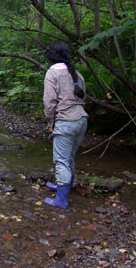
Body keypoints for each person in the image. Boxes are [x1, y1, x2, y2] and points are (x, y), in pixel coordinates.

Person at [43, 41, 88, 209]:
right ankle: (64, 186)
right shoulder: (76, 73)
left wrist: (50, 122)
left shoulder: (52, 73)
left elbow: (49, 102)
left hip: (65, 121)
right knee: (69, 158)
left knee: (61, 161)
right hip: (82, 120)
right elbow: (83, 97)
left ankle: (61, 199)